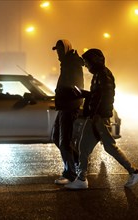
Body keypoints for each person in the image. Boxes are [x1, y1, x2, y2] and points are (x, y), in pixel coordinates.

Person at [65, 48, 138, 189]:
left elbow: (105, 97)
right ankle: (81, 179)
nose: (87, 66)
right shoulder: (98, 75)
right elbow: (96, 96)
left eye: (88, 63)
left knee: (110, 147)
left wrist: (96, 115)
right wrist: (84, 95)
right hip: (95, 117)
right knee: (83, 146)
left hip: (100, 118)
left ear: (95, 61)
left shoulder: (104, 75)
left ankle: (134, 172)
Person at [51, 39, 84, 185]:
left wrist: (63, 93)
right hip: (65, 105)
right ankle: (78, 163)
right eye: (57, 50)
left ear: (66, 49)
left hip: (69, 106)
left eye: (60, 50)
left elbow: (76, 86)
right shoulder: (66, 63)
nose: (58, 53)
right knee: (56, 136)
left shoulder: (72, 64)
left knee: (64, 141)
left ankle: (70, 173)